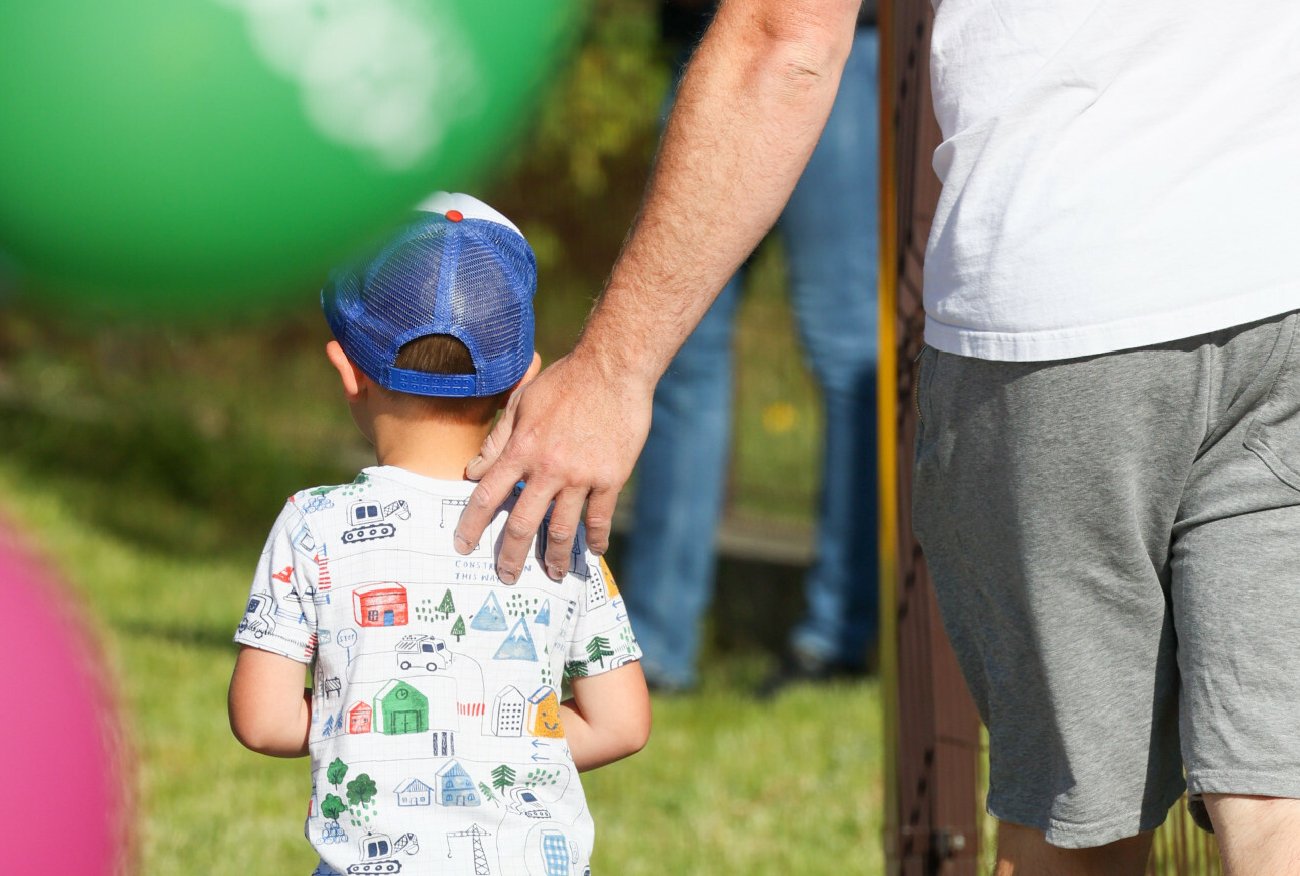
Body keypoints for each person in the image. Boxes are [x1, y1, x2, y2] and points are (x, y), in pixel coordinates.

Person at [455, 0, 1300, 872]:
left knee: (1072, 834)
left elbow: (784, 32)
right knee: (1281, 801)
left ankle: (804, 631)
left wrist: (611, 368)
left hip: (1068, 307)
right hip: (1282, 276)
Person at [228, 194, 650, 876]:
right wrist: (502, 745)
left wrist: (373, 735)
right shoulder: (554, 524)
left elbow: (264, 719)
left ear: (347, 371)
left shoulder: (312, 524)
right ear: (524, 378)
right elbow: (622, 724)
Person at [622, 0, 880, 694]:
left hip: (833, 40)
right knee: (673, 356)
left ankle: (838, 641)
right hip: (712, 42)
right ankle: (652, 650)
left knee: (849, 350)